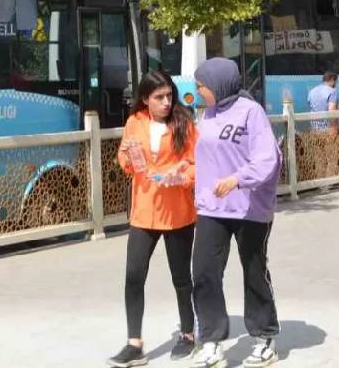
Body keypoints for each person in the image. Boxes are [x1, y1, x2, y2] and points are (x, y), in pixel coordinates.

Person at [189, 58, 282, 368]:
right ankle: (212, 341)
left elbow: (267, 159)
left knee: (253, 271)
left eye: (202, 86)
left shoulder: (251, 113)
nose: (198, 91)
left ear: (220, 84)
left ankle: (264, 336)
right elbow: (204, 159)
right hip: (212, 207)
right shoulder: (208, 116)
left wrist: (237, 179)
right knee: (204, 272)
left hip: (249, 207)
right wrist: (183, 172)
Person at [109, 71, 199, 367]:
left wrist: (182, 175)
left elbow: (198, 164)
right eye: (159, 97)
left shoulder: (185, 123)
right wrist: (127, 155)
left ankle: (187, 334)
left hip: (178, 212)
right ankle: (134, 343)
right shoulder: (135, 122)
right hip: (144, 212)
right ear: (145, 99)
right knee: (134, 276)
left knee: (181, 278)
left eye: (169, 96)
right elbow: (124, 160)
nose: (165, 102)